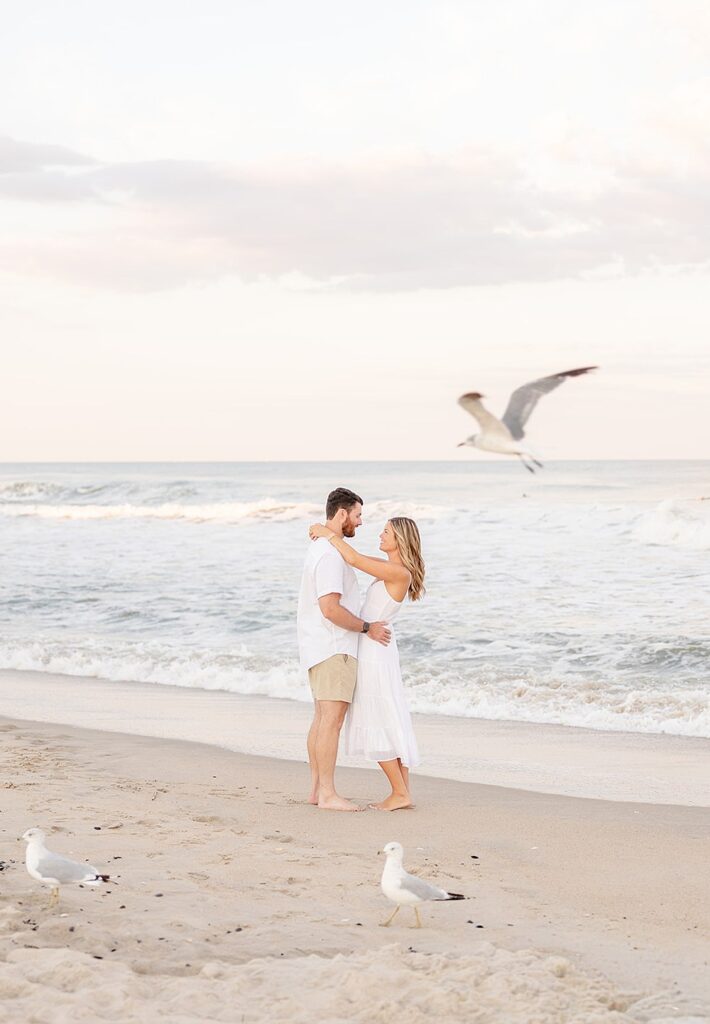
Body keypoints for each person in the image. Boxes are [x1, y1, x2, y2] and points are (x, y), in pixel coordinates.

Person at [308, 516, 425, 811]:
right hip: (377, 648)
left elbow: (354, 558)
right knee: (386, 714)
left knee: (377, 716)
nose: (380, 535)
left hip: (375, 650)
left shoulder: (399, 572)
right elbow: (351, 559)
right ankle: (403, 792)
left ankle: (400, 792)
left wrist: (325, 532)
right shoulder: (391, 569)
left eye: (386, 531)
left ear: (399, 538)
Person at [297, 487, 391, 812]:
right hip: (334, 647)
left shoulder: (323, 549)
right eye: (358, 515)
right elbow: (330, 608)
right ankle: (327, 794)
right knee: (330, 722)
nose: (360, 522)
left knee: (322, 720)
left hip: (320, 646)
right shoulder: (328, 556)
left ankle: (316, 790)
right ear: (341, 514)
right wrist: (367, 628)